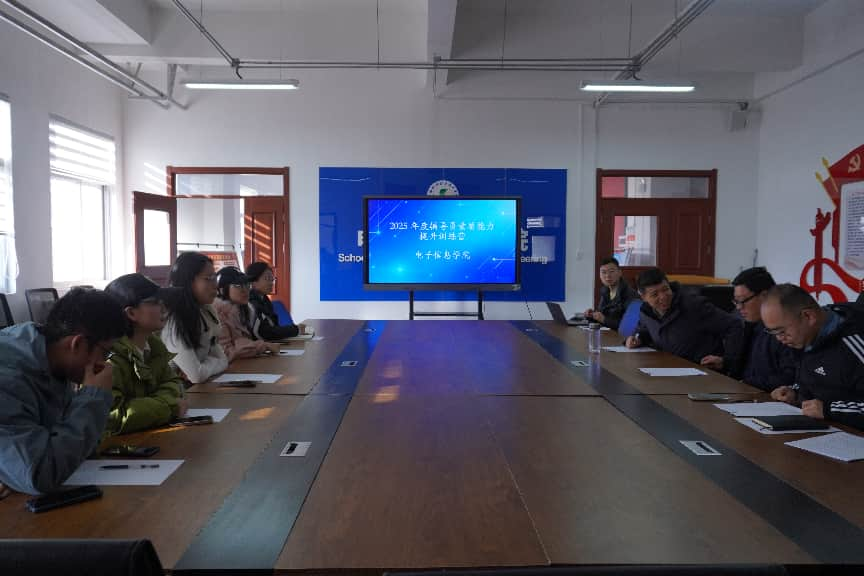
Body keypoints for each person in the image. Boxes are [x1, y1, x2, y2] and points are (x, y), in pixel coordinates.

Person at [0, 288, 126, 496]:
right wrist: (93, 397)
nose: (106, 364)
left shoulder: (52, 359)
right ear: (77, 344)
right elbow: (41, 474)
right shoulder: (8, 379)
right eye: (106, 353)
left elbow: (76, 452)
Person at [764, 284, 864, 430]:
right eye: (773, 333)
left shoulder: (855, 343)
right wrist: (795, 393)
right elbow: (814, 383)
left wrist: (828, 410)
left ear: (808, 316)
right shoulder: (806, 338)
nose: (779, 339)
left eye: (781, 331)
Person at [104, 273, 187, 434]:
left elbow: (174, 383)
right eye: (155, 302)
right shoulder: (110, 360)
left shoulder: (154, 348)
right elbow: (112, 415)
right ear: (131, 313)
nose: (164, 307)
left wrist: (162, 403)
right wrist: (169, 406)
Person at [699, 267, 799, 391]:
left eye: (743, 301)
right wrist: (725, 363)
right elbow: (749, 367)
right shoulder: (751, 325)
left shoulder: (785, 330)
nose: (739, 307)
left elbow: (789, 378)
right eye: (736, 302)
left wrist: (746, 383)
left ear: (764, 296)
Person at [625, 267, 743, 369]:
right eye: (655, 294)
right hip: (667, 369)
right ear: (643, 297)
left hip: (701, 371)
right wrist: (638, 339)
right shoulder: (646, 312)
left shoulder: (694, 305)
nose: (663, 297)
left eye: (665, 289)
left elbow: (734, 325)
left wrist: (727, 361)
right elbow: (644, 330)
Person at [161, 252, 229, 384]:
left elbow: (223, 360)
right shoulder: (174, 318)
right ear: (188, 281)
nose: (215, 285)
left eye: (215, 277)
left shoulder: (207, 310)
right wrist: (212, 363)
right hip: (171, 390)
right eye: (208, 279)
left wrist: (207, 364)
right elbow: (196, 375)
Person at [213, 266, 280, 360]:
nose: (245, 290)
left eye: (247, 285)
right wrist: (263, 346)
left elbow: (241, 342)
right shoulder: (218, 313)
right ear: (222, 290)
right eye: (238, 286)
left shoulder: (242, 310)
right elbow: (226, 352)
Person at [245, 262, 307, 340]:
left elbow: (273, 327)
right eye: (267, 278)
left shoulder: (264, 300)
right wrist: (296, 330)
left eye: (272, 279)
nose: (271, 283)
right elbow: (264, 333)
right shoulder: (250, 302)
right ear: (253, 281)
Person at [583, 257, 638, 330]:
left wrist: (604, 320)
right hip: (607, 334)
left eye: (611, 271)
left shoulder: (630, 294)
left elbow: (630, 325)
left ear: (620, 273)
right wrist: (591, 315)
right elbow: (602, 315)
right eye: (603, 272)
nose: (607, 276)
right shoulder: (605, 291)